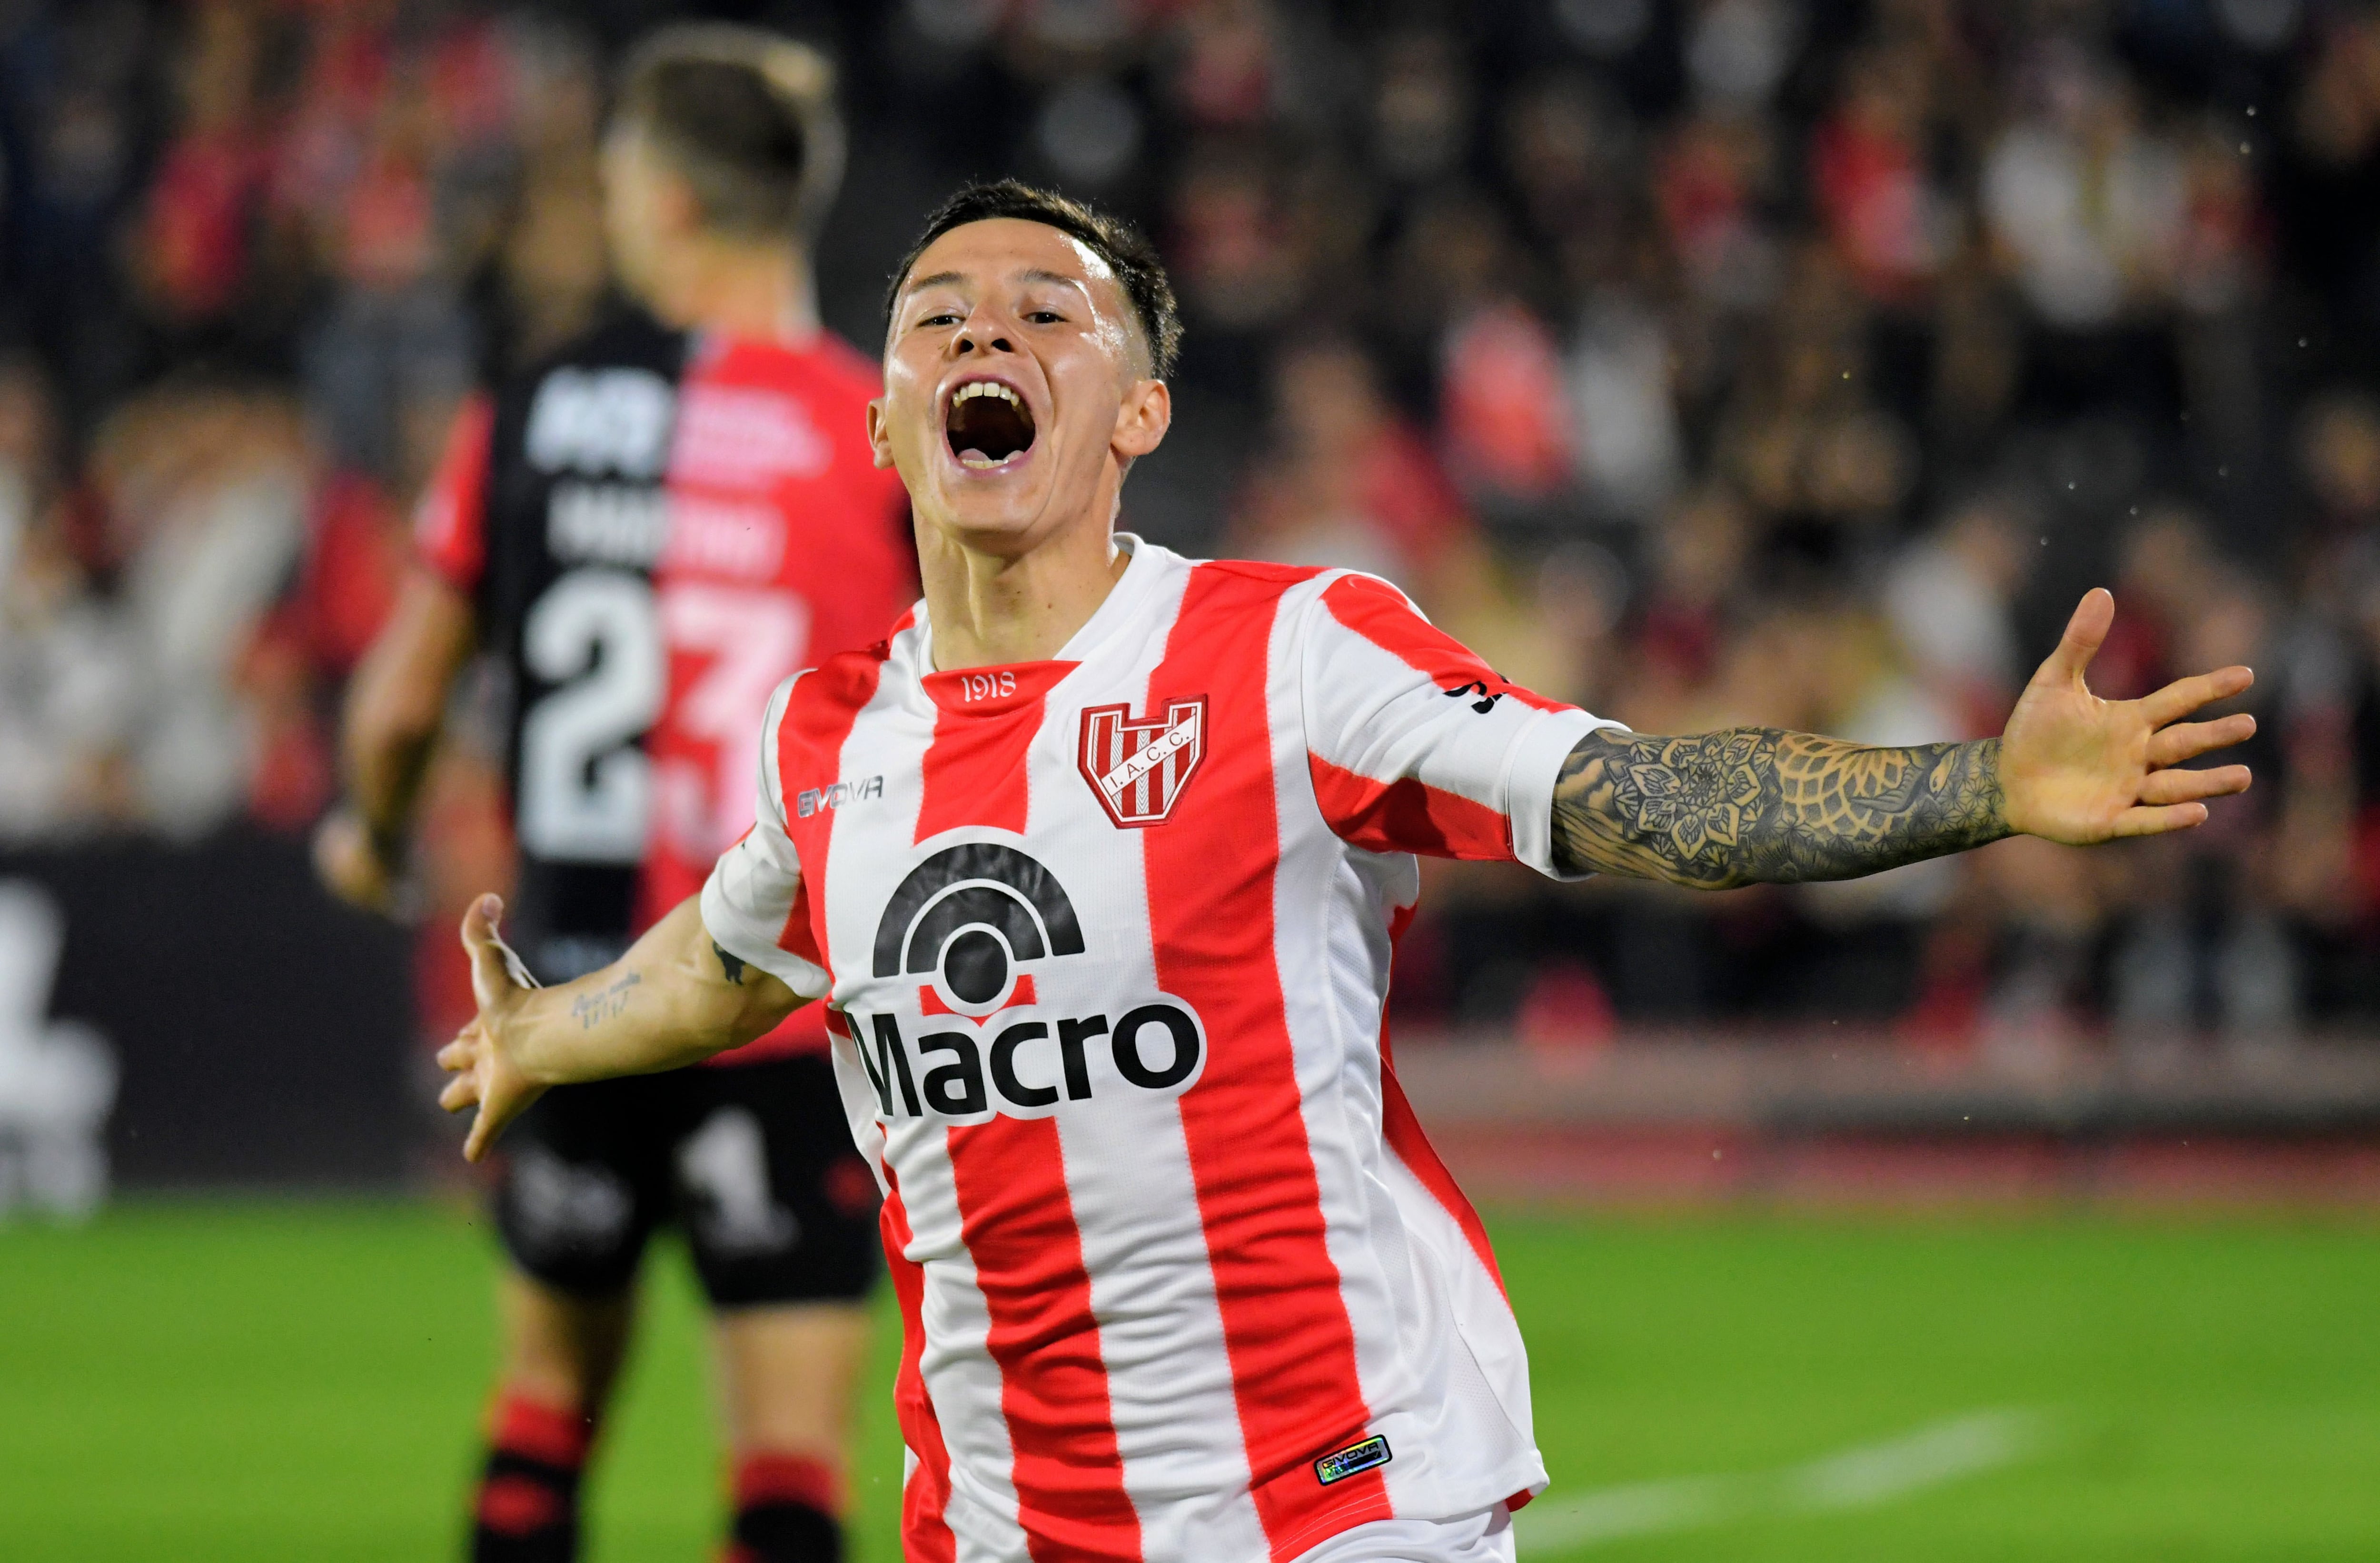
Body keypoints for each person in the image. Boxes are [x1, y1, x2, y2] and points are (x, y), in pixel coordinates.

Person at [433, 180, 2256, 1563]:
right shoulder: (829, 735)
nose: (986, 340)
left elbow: (1627, 791)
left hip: (1337, 1509)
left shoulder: (1289, 656)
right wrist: (550, 1033)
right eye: (939, 316)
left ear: (1139, 415)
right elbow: (740, 953)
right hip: (995, 1526)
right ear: (883, 414)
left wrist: (1982, 789)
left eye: (1049, 315)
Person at [316, 28, 912, 1563]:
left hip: (566, 1001)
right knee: (787, 1466)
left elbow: (395, 705)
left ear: (661, 198)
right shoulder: (878, 442)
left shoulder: (530, 408)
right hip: (779, 999)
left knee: (539, 1416)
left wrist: (370, 838)